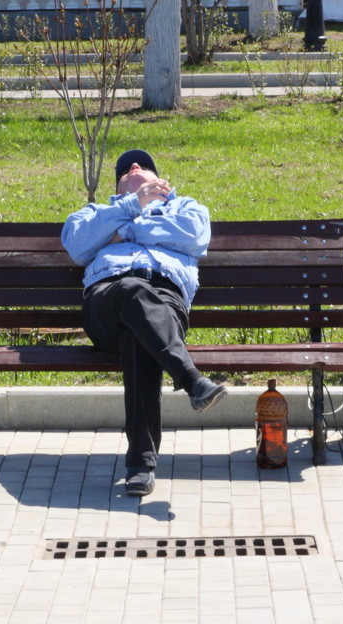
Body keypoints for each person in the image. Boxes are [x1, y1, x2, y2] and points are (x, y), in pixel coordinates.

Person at [61, 148, 226, 496]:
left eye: (143, 166)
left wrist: (124, 232)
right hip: (106, 301)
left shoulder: (186, 208)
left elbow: (195, 235)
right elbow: (77, 243)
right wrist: (130, 206)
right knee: (133, 291)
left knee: (141, 337)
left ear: (162, 183)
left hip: (166, 300)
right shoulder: (96, 212)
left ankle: (141, 466)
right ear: (120, 188)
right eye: (125, 169)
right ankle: (192, 380)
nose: (134, 166)